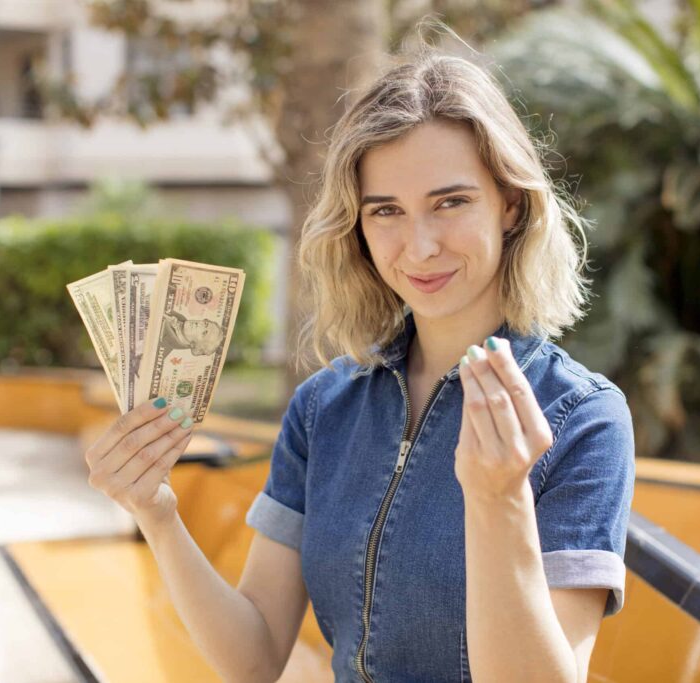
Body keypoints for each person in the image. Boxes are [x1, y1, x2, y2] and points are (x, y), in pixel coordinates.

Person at [82, 27, 635, 683]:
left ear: (510, 205)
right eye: (386, 212)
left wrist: (498, 500)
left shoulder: (581, 418)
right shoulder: (324, 406)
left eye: (450, 202)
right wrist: (158, 513)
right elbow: (254, 655)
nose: (420, 245)